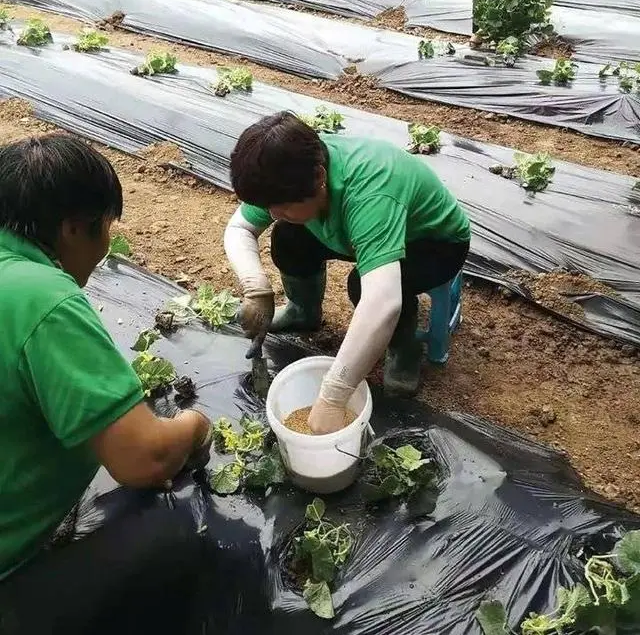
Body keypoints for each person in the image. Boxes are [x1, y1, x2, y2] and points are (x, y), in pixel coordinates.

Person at [0, 134, 213, 635]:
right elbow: (146, 459)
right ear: (74, 229)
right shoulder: (43, 299)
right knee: (172, 528)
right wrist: (194, 425)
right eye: (105, 233)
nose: (103, 251)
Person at [224, 112, 470, 435]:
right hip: (361, 232)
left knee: (362, 286)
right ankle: (304, 311)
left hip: (434, 242)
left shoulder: (369, 191)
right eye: (269, 206)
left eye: (281, 206)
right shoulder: (289, 170)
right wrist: (256, 288)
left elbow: (383, 301)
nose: (271, 213)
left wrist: (332, 397)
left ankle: (404, 347)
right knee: (287, 237)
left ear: (320, 178)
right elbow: (240, 226)